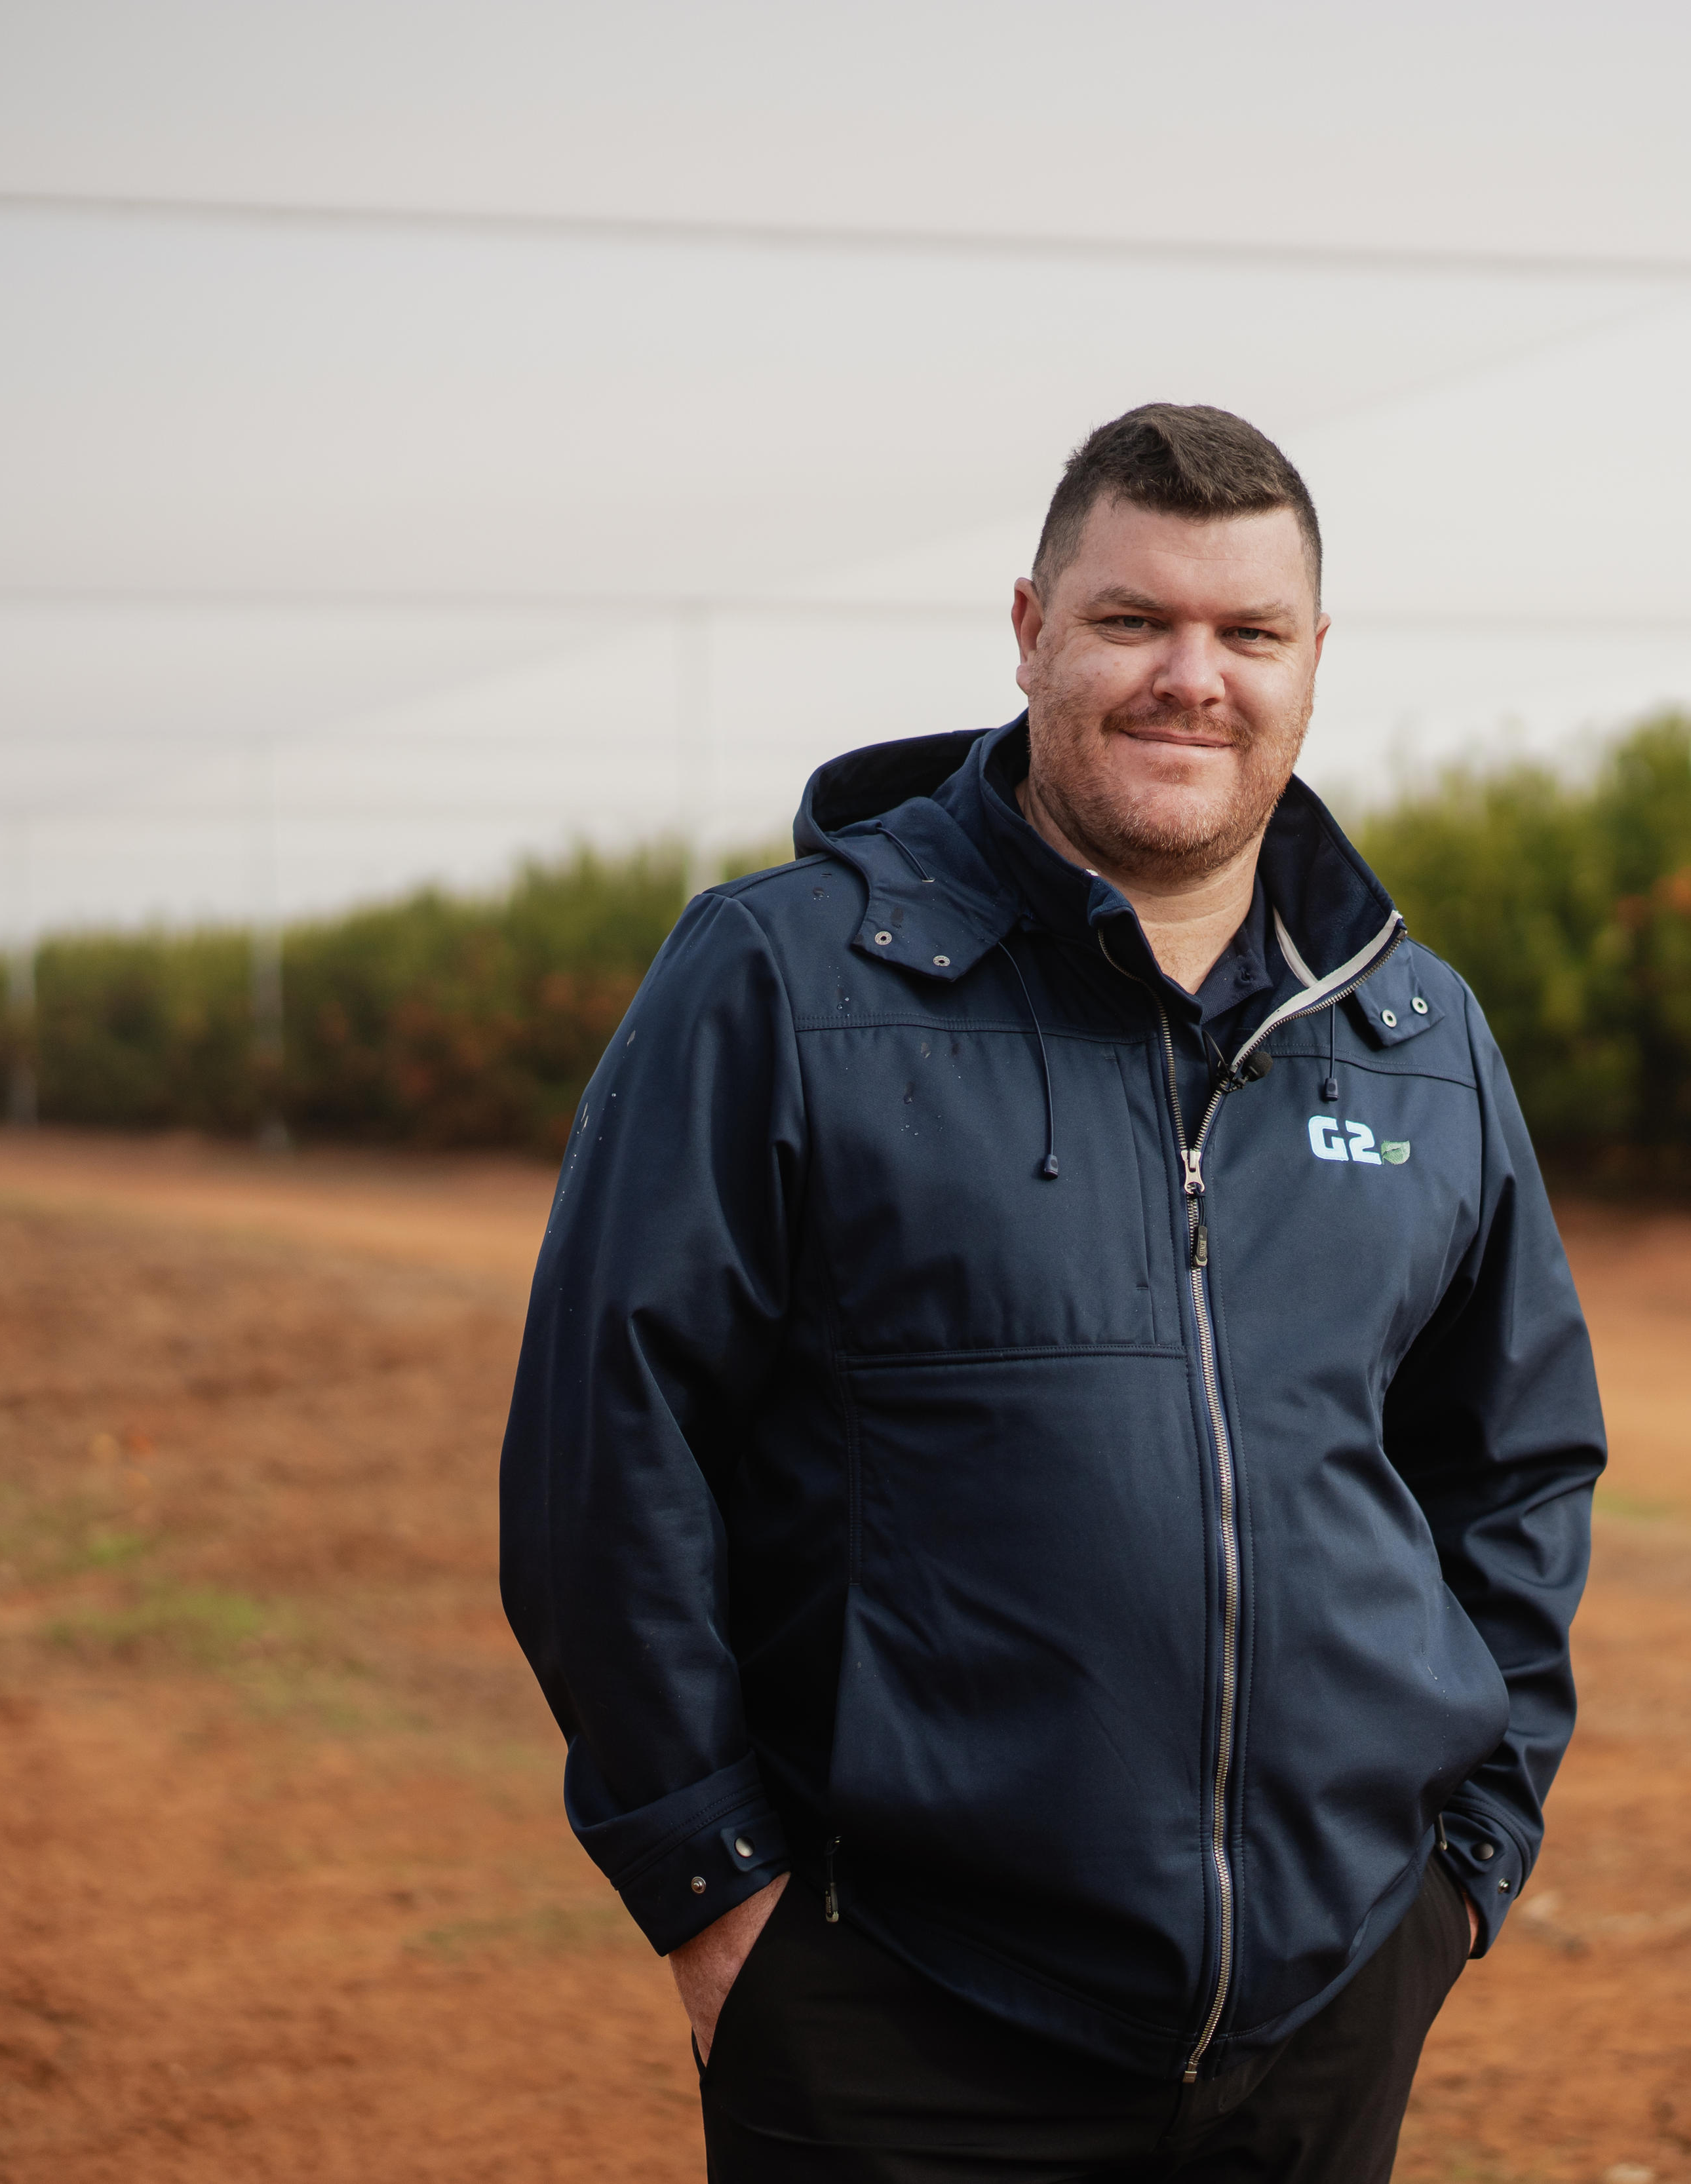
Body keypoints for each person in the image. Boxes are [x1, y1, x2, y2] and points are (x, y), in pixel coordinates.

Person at [499, 402, 1606, 2181]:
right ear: (1027, 630)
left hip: (1322, 2018)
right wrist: (718, 1893)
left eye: (1247, 634)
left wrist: (1467, 1859)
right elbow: (604, 1453)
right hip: (903, 2014)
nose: (1193, 677)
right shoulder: (784, 980)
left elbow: (1516, 1463)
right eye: (1130, 622)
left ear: (1313, 663)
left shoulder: (1417, 1038)